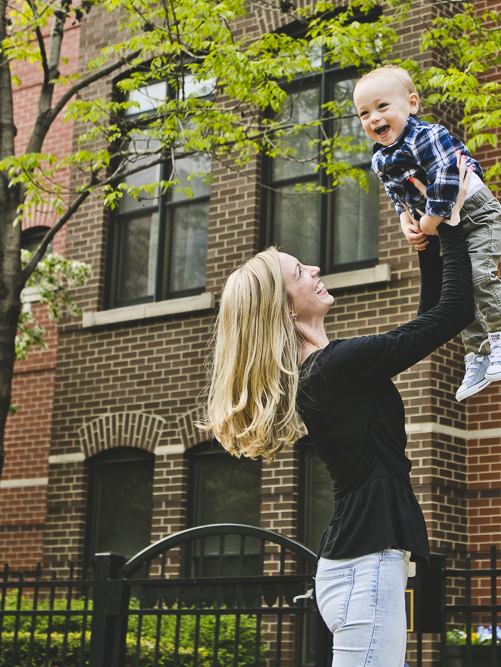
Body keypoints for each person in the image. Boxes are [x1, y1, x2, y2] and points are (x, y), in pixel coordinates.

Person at [204, 157, 476, 666]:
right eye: (299, 271)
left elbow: (429, 318)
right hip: (363, 567)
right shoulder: (334, 367)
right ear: (285, 308)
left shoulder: (330, 369)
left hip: (362, 565)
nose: (315, 269)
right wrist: (450, 218)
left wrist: (427, 240)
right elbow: (454, 312)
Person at [352, 64, 501, 401]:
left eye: (382, 106)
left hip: (479, 216)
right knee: (459, 291)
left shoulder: (429, 136)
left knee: (478, 274)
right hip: (448, 226)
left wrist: (429, 222)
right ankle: (478, 351)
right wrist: (405, 221)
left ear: (412, 104)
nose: (374, 118)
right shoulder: (380, 158)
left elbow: (448, 179)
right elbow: (398, 195)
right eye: (364, 113)